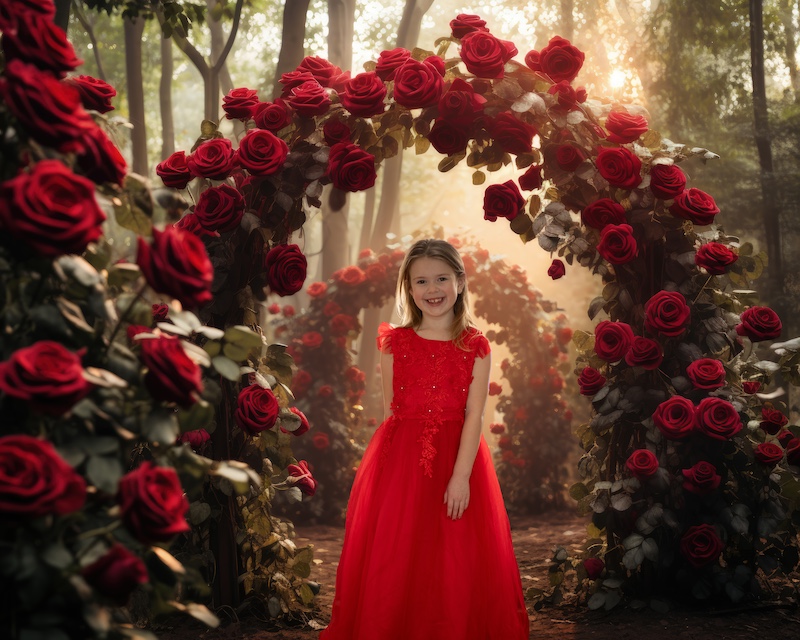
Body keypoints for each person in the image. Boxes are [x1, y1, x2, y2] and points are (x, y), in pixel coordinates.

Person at [320, 239, 529, 639]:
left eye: (441, 279)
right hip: (400, 462)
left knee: (454, 553)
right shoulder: (394, 343)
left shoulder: (475, 346)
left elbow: (474, 414)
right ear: (409, 289)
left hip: (458, 457)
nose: (432, 290)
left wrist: (460, 476)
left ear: (460, 282)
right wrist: (387, 474)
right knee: (399, 552)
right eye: (421, 282)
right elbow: (390, 413)